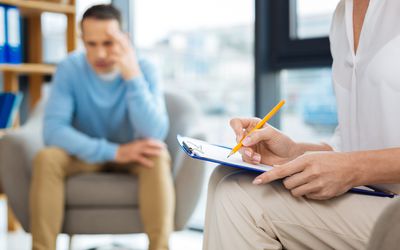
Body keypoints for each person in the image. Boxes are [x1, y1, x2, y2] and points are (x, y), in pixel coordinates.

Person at [203, 0, 400, 249]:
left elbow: (354, 162)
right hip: (376, 196)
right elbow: (352, 139)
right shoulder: (342, 14)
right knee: (228, 175)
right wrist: (295, 151)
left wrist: (356, 168)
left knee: (238, 197)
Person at [30, 4, 174, 250]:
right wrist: (114, 152)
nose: (100, 54)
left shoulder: (144, 69)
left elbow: (155, 132)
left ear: (124, 39)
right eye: (91, 44)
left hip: (135, 157)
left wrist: (132, 76)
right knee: (47, 158)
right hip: (85, 154)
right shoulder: (69, 69)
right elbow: (53, 131)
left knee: (158, 154)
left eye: (108, 43)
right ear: (82, 40)